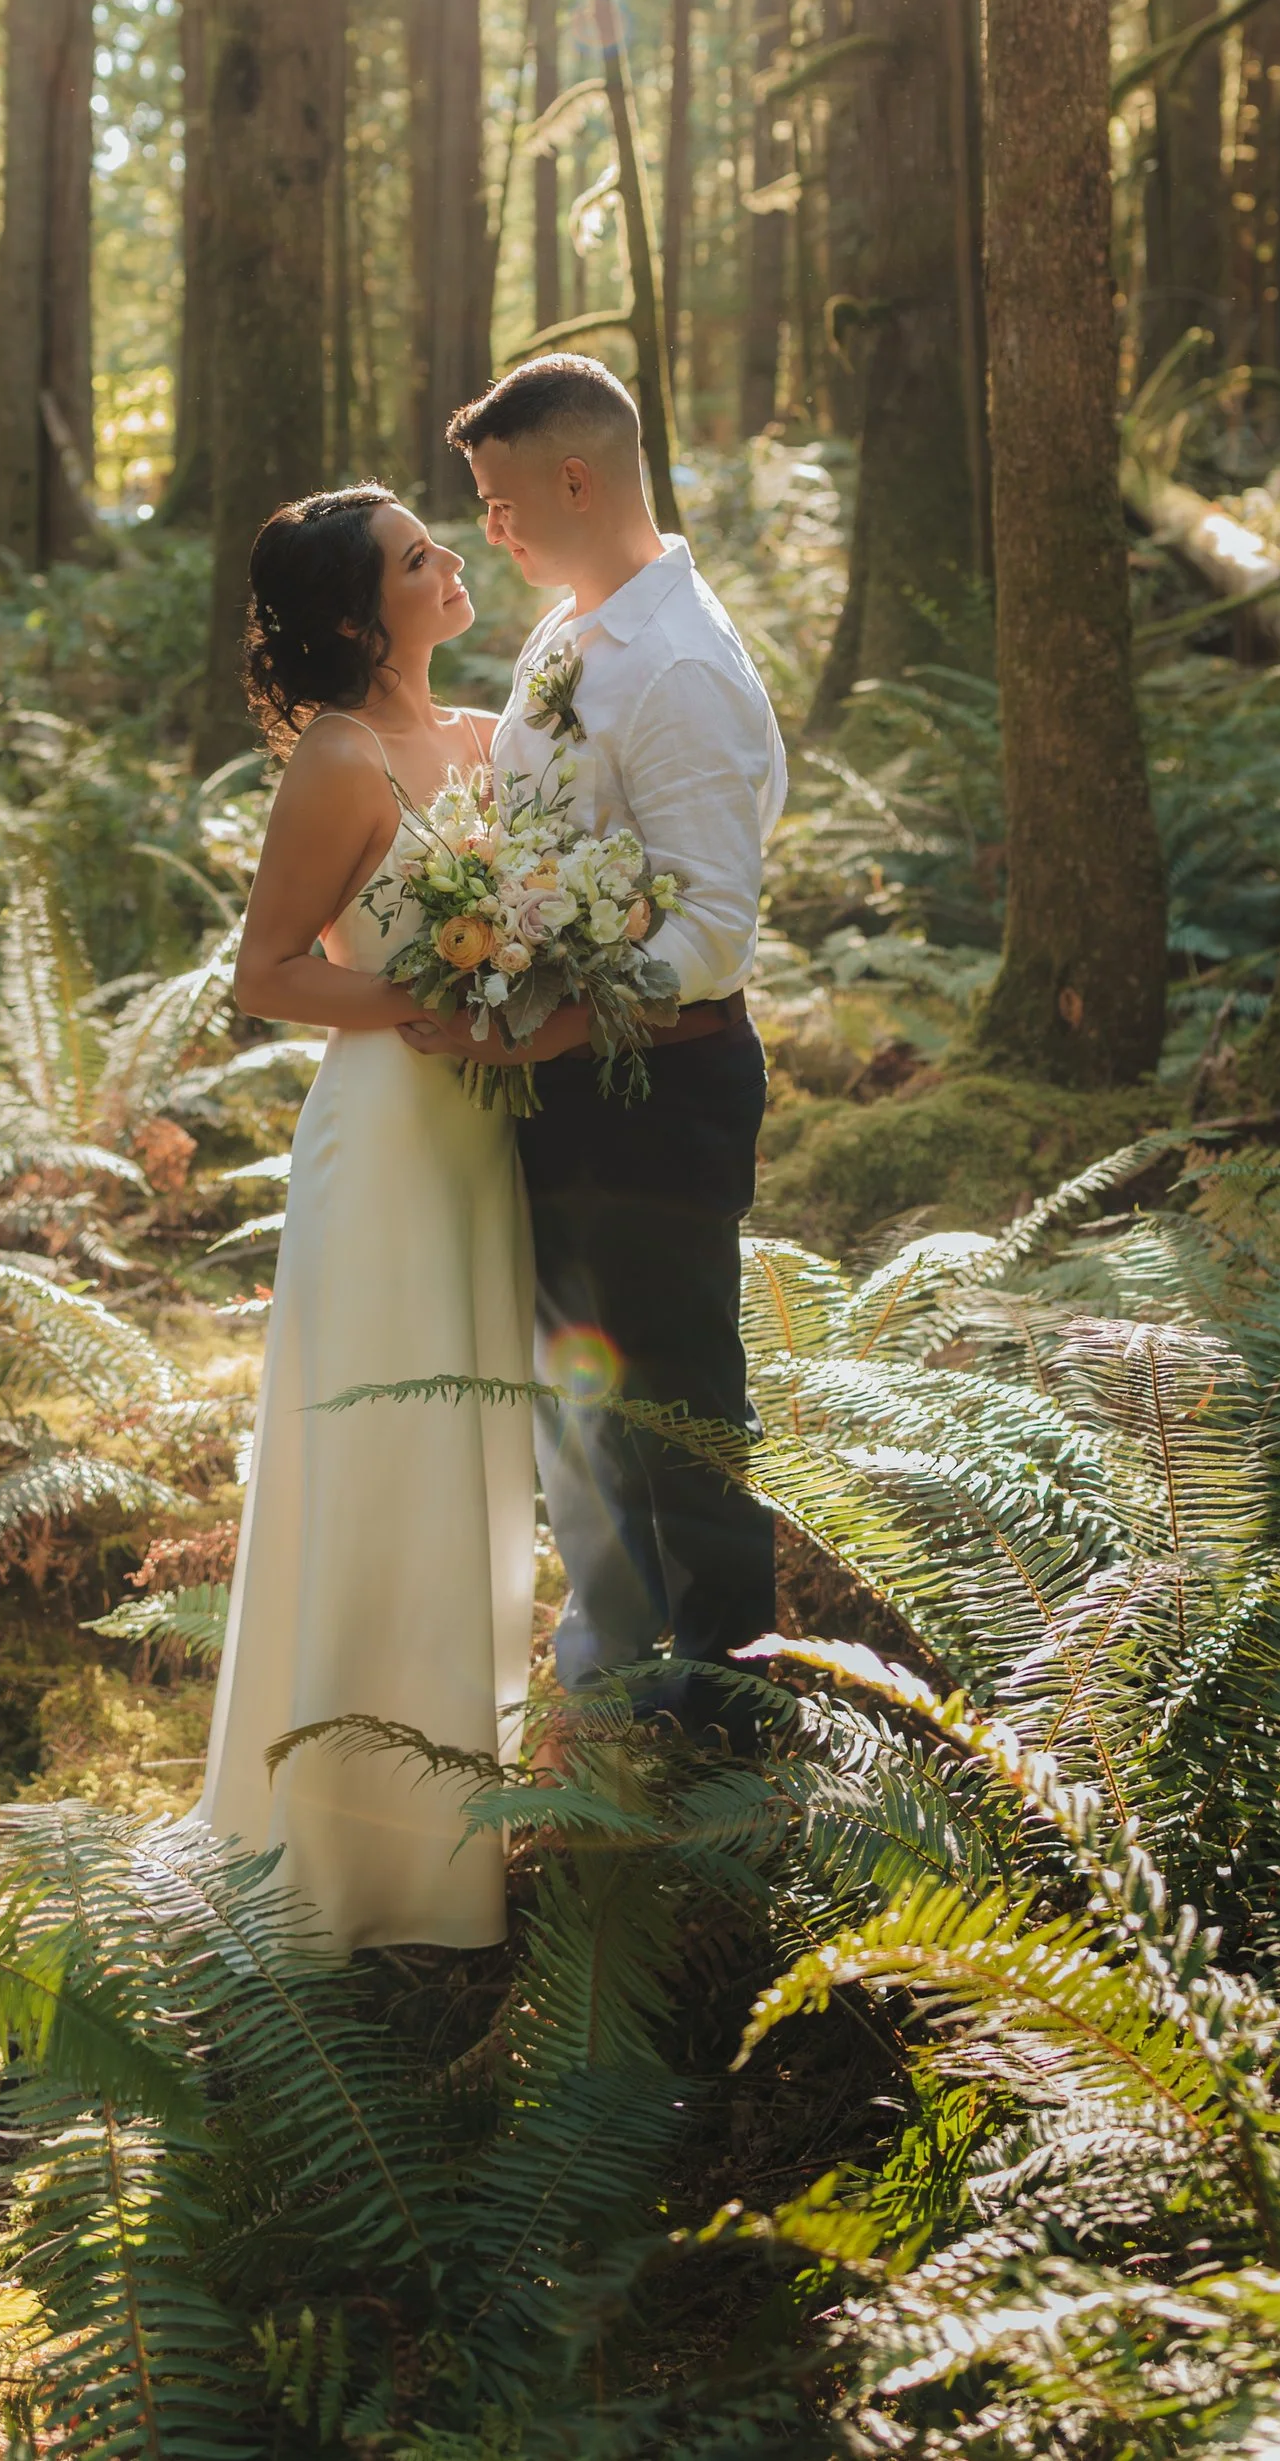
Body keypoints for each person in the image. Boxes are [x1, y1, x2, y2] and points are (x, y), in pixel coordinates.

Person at [191, 483, 536, 1952]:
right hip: (386, 1147)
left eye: (436, 541)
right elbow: (263, 976)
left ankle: (462, 1818)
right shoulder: (338, 763)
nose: (448, 558)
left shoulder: (485, 740)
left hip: (488, 1151)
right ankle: (342, 1861)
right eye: (413, 557)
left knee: (471, 1466)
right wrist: (429, 999)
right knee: (381, 1467)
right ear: (354, 614)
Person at [426, 352, 788, 1738]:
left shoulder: (680, 666)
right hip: (568, 1084)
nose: (492, 530)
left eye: (503, 500)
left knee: (679, 1422)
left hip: (658, 1090)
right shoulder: (571, 633)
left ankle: (725, 1735)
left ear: (575, 478)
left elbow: (708, 933)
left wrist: (547, 1022)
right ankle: (613, 1693)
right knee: (582, 1412)